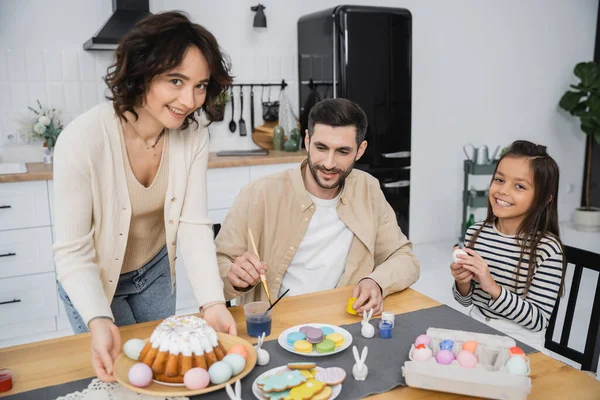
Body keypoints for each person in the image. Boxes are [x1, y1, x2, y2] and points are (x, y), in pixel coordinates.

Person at [53, 11, 236, 382]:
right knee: (125, 378)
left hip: (153, 272)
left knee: (162, 372)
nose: (190, 100)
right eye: (176, 80)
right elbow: (72, 252)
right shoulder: (83, 138)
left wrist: (212, 301)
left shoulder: (193, 135)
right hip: (94, 275)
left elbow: (194, 224)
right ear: (142, 73)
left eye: (200, 85)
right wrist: (98, 317)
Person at [215, 98, 420, 315]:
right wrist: (235, 276)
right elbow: (218, 263)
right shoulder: (259, 193)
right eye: (321, 148)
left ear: (360, 150)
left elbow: (405, 259)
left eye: (343, 152)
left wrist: (376, 282)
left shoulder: (368, 189)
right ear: (307, 140)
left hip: (345, 323)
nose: (329, 163)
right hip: (277, 324)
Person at [451, 140, 566, 350]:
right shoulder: (476, 233)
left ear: (544, 199)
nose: (503, 190)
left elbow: (538, 320)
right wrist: (462, 282)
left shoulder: (547, 249)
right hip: (476, 328)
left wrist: (492, 287)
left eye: (519, 186)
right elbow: (467, 301)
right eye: (499, 179)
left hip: (520, 342)